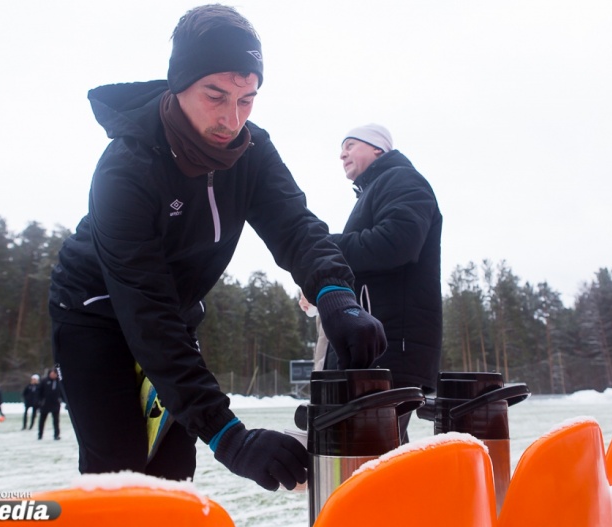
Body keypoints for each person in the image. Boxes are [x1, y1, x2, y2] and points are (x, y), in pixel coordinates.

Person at [47, 4, 386, 490]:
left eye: (247, 99)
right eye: (216, 95)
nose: (232, 118)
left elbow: (295, 225)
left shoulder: (252, 151)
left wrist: (336, 295)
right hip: (93, 312)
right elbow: (147, 312)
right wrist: (230, 437)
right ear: (179, 82)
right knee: (119, 471)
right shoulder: (126, 169)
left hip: (174, 312)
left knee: (171, 474)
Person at [327, 123, 443, 440]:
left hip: (389, 345)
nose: (342, 154)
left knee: (374, 450)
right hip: (374, 345)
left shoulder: (401, 179)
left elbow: (399, 242)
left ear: (378, 148)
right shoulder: (377, 189)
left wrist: (327, 247)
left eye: (351, 145)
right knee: (373, 451)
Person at [38, 368, 62, 440]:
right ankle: (40, 434)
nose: (53, 375)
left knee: (56, 420)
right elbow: (39, 392)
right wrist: (39, 401)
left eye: (54, 373)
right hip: (45, 404)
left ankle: (56, 435)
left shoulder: (59, 382)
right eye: (51, 373)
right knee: (42, 420)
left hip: (55, 404)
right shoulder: (44, 381)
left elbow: (62, 393)